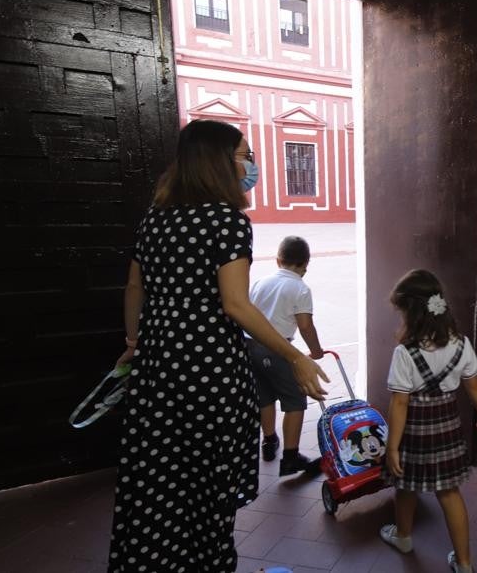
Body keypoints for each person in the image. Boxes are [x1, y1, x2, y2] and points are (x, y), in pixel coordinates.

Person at [108, 119, 329, 573]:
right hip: (209, 372)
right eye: (245, 155)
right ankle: (210, 562)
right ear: (218, 162)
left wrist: (134, 342)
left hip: (156, 368)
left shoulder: (155, 218)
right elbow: (236, 304)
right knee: (209, 485)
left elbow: (134, 288)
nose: (251, 165)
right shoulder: (227, 221)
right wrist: (295, 356)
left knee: (160, 479)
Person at [380, 270, 477, 573]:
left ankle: (403, 537)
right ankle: (464, 564)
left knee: (405, 485)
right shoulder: (461, 344)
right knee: (449, 491)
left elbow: (400, 403)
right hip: (447, 426)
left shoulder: (405, 352)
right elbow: (474, 386)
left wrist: (392, 447)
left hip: (414, 430)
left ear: (411, 313)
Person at [248, 235, 326, 477]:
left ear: (278, 260)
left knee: (264, 396)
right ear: (306, 264)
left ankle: (269, 440)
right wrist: (316, 351)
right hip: (277, 349)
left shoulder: (260, 282)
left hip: (250, 346)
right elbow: (305, 326)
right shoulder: (300, 288)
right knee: (295, 400)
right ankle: (291, 457)